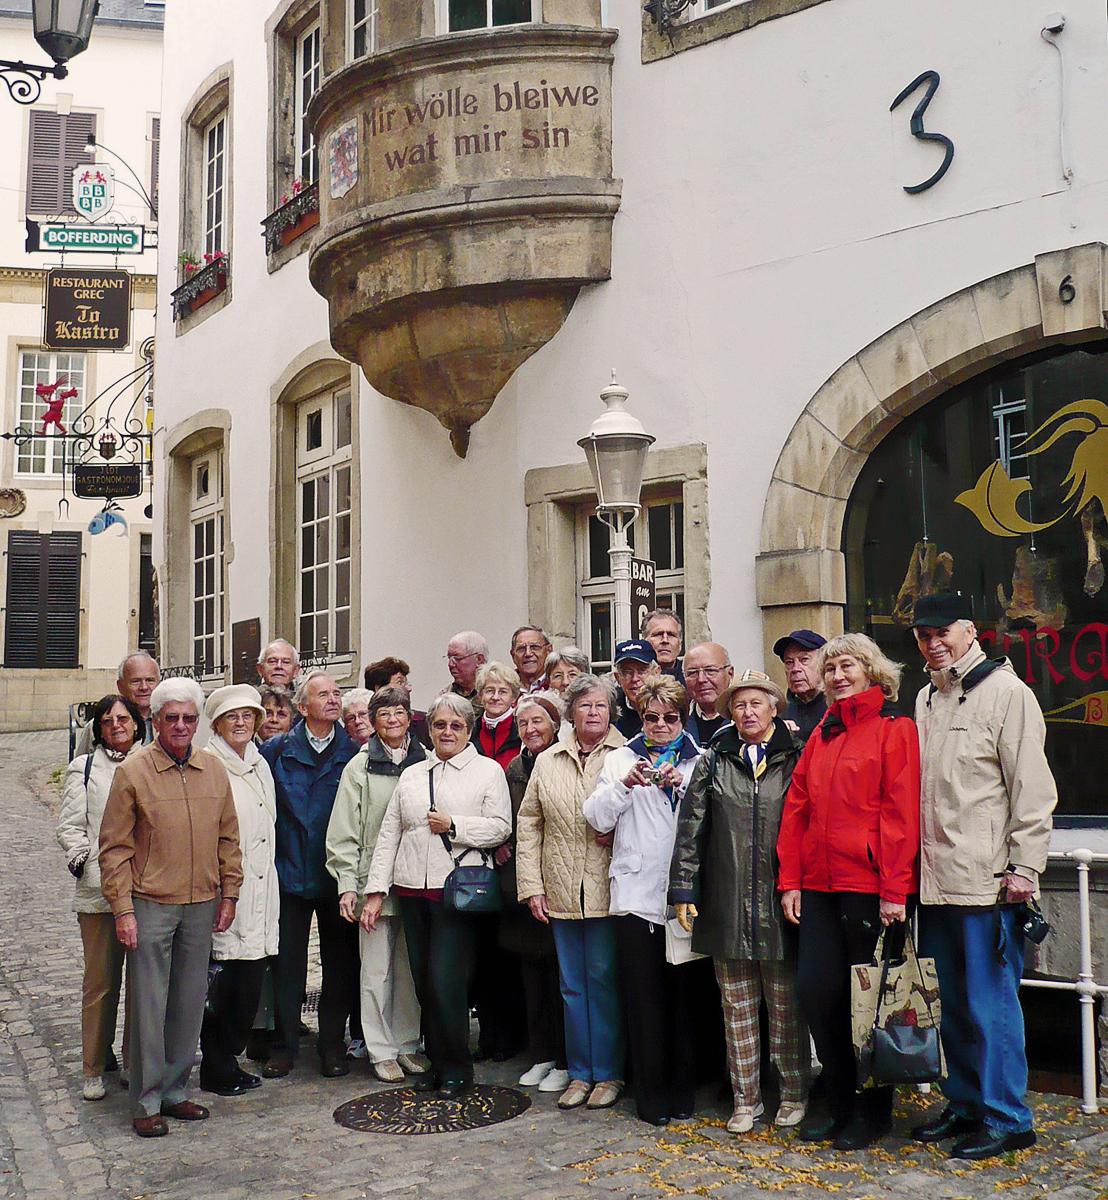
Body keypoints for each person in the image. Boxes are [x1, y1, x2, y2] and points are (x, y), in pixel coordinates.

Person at [909, 594, 1056, 1161]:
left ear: (971, 631)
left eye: (942, 631)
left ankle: (1008, 1116)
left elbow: (1033, 790)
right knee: (952, 1002)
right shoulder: (926, 697)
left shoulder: (1007, 693)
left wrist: (1026, 866)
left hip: (989, 880)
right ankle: (967, 1103)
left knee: (991, 1002)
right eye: (923, 634)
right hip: (935, 878)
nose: (933, 642)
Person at [776, 634, 920, 1150]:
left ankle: (871, 1110)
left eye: (848, 666)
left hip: (869, 886)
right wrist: (789, 878)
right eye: (831, 667)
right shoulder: (823, 735)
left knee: (870, 1006)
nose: (838, 675)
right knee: (818, 991)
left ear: (871, 671)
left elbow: (900, 813)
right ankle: (839, 1103)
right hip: (819, 883)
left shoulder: (894, 729)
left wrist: (894, 890)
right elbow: (797, 808)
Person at [98, 679, 242, 1138]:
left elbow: (228, 838)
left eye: (188, 718)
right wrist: (122, 909)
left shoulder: (213, 770)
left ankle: (176, 1091)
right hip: (150, 904)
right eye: (171, 718)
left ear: (197, 723)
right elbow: (115, 848)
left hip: (202, 903)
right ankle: (145, 1098)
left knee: (187, 1002)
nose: (180, 726)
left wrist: (230, 893)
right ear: (155, 721)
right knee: (148, 1005)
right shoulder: (134, 772)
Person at [670, 670, 809, 1135]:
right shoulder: (714, 760)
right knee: (737, 1009)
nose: (747, 713)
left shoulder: (797, 757)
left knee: (786, 1008)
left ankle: (792, 1093)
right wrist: (684, 890)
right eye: (739, 705)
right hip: (726, 901)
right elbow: (691, 829)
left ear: (774, 708)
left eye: (756, 704)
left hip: (779, 901)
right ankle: (746, 1099)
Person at [362, 693, 512, 1099]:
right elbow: (390, 833)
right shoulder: (414, 773)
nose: (447, 732)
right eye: (440, 725)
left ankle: (458, 1069)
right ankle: (436, 1063)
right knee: (424, 982)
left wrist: (454, 825)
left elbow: (500, 826)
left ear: (468, 730)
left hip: (456, 893)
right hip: (412, 889)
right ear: (429, 730)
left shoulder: (486, 772)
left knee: (448, 983)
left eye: (456, 726)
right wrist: (376, 892)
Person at [584, 676, 702, 1127]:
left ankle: (682, 1090)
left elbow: (705, 822)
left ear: (682, 718)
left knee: (682, 999)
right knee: (642, 996)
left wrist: (679, 788)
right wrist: (625, 787)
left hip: (683, 896)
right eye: (651, 717)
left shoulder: (699, 760)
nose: (661, 726)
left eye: (670, 718)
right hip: (634, 895)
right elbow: (594, 816)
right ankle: (649, 1094)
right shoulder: (620, 759)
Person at [516, 674, 626, 1112]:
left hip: (606, 887)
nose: (593, 713)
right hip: (560, 887)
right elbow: (529, 824)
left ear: (610, 712)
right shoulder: (549, 761)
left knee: (602, 982)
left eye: (600, 706)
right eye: (584, 706)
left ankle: (609, 1072)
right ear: (571, 714)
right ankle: (580, 1072)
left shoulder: (624, 755)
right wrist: (531, 886)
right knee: (571, 987)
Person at [259, 670, 359, 1078]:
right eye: (324, 694)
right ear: (303, 707)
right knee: (288, 965)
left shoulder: (353, 753)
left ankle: (331, 1044)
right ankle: (284, 1045)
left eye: (338, 693)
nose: (334, 699)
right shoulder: (277, 751)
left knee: (340, 963)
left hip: (337, 877)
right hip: (289, 873)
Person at [326, 687, 428, 1084]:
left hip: (416, 882)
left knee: (407, 968)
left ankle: (407, 1044)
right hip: (374, 884)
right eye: (384, 713)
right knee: (376, 970)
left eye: (400, 712)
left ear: (409, 718)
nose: (392, 720)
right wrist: (348, 885)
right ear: (373, 719)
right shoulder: (360, 767)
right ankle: (380, 1049)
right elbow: (343, 833)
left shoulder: (426, 761)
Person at [56, 693, 143, 1101]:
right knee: (102, 982)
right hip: (98, 890)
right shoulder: (85, 767)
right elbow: (71, 824)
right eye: (108, 721)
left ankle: (132, 1060)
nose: (117, 726)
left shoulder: (150, 761)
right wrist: (82, 858)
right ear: (98, 728)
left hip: (145, 886)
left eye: (123, 718)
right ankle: (94, 1065)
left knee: (142, 983)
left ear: (137, 723)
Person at [199, 685, 279, 1097]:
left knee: (250, 977)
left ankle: (229, 1058)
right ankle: (216, 1065)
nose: (242, 723)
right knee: (222, 981)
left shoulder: (259, 762)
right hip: (227, 888)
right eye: (233, 717)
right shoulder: (210, 765)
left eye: (249, 716)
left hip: (263, 886)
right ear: (217, 724)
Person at [498, 692, 569, 1095]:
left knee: (562, 975)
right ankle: (541, 1053)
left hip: (559, 878)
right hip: (524, 883)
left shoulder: (561, 762)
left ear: (554, 724)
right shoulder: (514, 768)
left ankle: (563, 1057)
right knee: (532, 975)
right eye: (523, 723)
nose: (530, 729)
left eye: (538, 721)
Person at [74, 652, 160, 755]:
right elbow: (82, 765)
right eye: (135, 681)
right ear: (120, 686)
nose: (144, 687)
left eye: (150, 680)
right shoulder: (100, 725)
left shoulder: (172, 721)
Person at [772, 630, 828, 743]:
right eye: (789, 662)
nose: (795, 669)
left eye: (804, 660)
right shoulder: (778, 712)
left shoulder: (837, 708)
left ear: (824, 664)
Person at [364, 656, 431, 747]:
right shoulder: (362, 724)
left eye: (406, 682)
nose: (409, 688)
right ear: (379, 688)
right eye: (400, 682)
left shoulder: (421, 722)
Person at [471, 662, 523, 770]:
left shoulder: (522, 730)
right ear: (480, 695)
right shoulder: (470, 731)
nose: (495, 697)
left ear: (513, 697)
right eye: (490, 691)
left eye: (503, 692)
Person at [682, 642, 734, 746]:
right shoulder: (676, 720)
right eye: (692, 673)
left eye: (710, 670)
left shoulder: (745, 718)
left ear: (730, 673)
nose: (701, 679)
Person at [613, 639, 660, 738]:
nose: (634, 678)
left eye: (642, 671)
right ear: (618, 678)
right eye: (627, 672)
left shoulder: (670, 705)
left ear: (657, 673)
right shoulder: (610, 710)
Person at [445, 630, 489, 702]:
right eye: (449, 658)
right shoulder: (445, 696)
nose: (450, 664)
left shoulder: (496, 694)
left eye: (457, 658)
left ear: (479, 659)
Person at [642, 609, 685, 683]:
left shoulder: (693, 678)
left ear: (680, 641)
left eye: (671, 635)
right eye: (658, 634)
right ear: (644, 639)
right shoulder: (634, 679)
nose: (665, 640)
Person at [510, 625, 552, 693]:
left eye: (535, 647)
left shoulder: (557, 684)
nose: (528, 654)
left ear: (548, 651)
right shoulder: (505, 685)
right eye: (521, 649)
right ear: (513, 655)